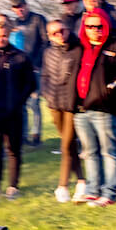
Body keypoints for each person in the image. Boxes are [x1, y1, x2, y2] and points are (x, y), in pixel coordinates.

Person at [74, 7, 116, 206]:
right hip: (81, 109)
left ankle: (109, 193)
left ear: (106, 26)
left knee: (109, 151)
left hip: (104, 108)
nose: (95, 30)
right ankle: (93, 190)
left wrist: (113, 86)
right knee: (90, 152)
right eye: (90, 26)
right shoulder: (81, 48)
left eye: (99, 26)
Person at [0, 16, 36, 203]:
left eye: (3, 35)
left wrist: (18, 102)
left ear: (8, 35)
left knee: (14, 151)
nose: (0, 38)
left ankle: (13, 186)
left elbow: (30, 84)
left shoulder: (21, 57)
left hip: (14, 113)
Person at [40, 21, 87, 203]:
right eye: (54, 33)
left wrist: (79, 99)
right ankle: (82, 181)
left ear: (68, 30)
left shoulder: (78, 50)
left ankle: (63, 186)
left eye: (62, 30)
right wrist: (47, 94)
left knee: (66, 145)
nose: (59, 35)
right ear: (49, 36)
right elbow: (44, 76)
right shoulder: (48, 52)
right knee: (70, 145)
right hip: (55, 105)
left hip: (72, 105)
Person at [82, 0, 116, 137]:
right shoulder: (84, 16)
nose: (89, 1)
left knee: (111, 94)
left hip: (109, 61)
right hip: (91, 62)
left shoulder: (112, 14)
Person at [10, 0, 47, 147]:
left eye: (21, 7)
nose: (20, 10)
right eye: (16, 8)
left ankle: (36, 134)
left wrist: (37, 62)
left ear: (26, 5)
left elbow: (46, 42)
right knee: (21, 104)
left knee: (34, 102)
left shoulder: (38, 19)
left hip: (35, 68)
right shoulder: (14, 23)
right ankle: (23, 136)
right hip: (19, 70)